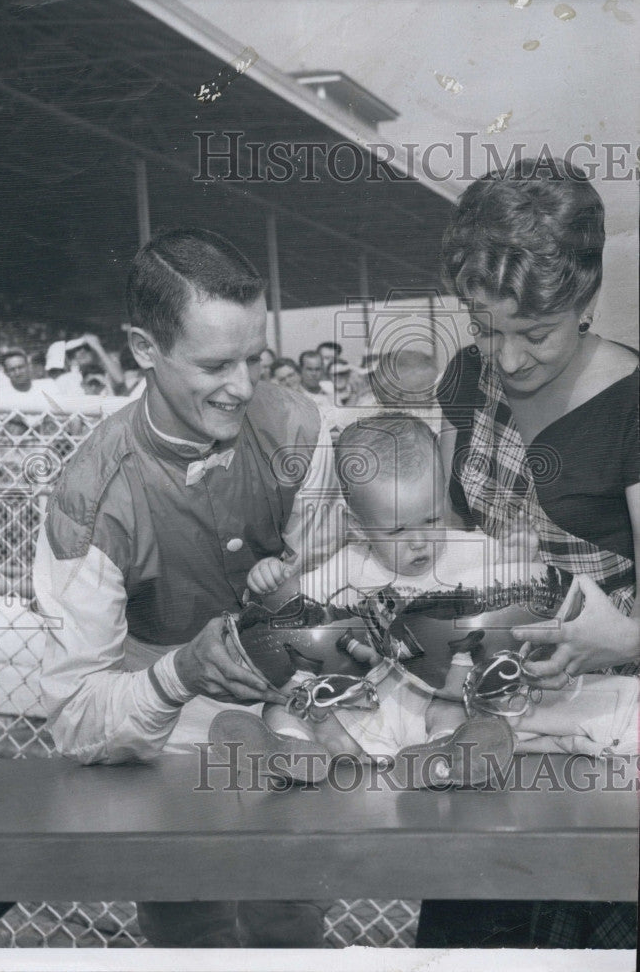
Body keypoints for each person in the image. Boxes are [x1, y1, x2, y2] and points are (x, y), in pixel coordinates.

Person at [34, 227, 340, 949]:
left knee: (290, 922)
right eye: (215, 364)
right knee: (187, 929)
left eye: (253, 359)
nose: (242, 387)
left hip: (283, 714)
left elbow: (327, 596)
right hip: (152, 726)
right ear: (144, 348)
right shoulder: (89, 494)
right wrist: (180, 674)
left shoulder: (301, 426)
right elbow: (75, 718)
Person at [417, 156, 639, 949]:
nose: (506, 359)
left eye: (534, 332)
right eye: (486, 328)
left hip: (606, 758)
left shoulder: (630, 408)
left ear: (585, 296)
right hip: (487, 732)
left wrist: (623, 637)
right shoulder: (468, 381)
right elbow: (444, 542)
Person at [216, 415, 637, 784]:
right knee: (293, 704)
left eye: (432, 519)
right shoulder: (345, 566)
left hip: (440, 698)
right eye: (397, 531)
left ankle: (450, 753)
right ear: (357, 527)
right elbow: (296, 617)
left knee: (456, 709)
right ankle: (284, 749)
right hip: (366, 704)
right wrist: (267, 585)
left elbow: (515, 589)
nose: (421, 542)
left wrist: (520, 556)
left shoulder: (468, 548)